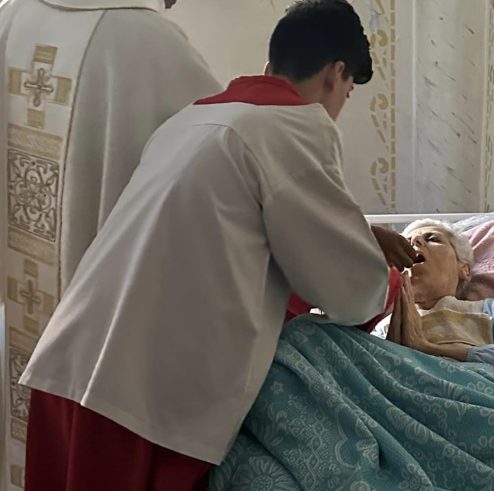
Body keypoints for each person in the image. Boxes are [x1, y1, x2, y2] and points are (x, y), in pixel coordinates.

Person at [17, 1, 414, 490]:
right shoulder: (297, 126)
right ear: (336, 74)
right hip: (138, 398)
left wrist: (358, 235)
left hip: (68, 365)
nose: (339, 106)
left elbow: (233, 238)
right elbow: (349, 292)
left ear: (270, 65)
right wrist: (390, 284)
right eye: (348, 92)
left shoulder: (192, 120)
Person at [0, 0, 221, 486]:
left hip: (20, 315)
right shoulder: (150, 44)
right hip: (101, 342)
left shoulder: (12, 16)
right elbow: (231, 175)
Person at [377, 219, 494, 391]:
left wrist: (427, 348)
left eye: (432, 239)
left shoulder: (493, 311)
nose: (415, 242)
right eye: (406, 244)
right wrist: (391, 352)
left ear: (464, 269)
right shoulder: (382, 327)